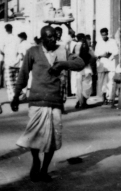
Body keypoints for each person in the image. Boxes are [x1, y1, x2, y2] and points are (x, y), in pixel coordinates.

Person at [10, 25, 85, 182]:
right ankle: (36, 160)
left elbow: (80, 63)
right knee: (34, 136)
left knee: (52, 139)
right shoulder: (32, 52)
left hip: (55, 101)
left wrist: (62, 64)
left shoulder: (62, 51)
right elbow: (23, 75)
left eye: (54, 37)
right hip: (37, 101)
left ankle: (44, 169)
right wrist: (16, 96)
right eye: (49, 37)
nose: (53, 39)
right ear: (42, 38)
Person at [96, 27, 119, 104]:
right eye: (102, 35)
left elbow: (116, 51)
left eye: (105, 35)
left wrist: (110, 55)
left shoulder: (112, 41)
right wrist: (102, 55)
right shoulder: (99, 43)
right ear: (100, 35)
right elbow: (96, 54)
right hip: (102, 64)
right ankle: (103, 97)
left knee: (110, 81)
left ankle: (110, 98)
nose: (104, 36)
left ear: (107, 34)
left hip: (110, 63)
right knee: (102, 82)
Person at [73, 33, 94, 108]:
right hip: (86, 68)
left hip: (78, 68)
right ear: (83, 38)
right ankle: (84, 102)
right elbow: (93, 56)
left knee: (78, 86)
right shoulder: (86, 45)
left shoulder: (75, 46)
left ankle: (79, 102)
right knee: (86, 85)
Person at [0, 23, 19, 98]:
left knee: (9, 82)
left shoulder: (4, 38)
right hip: (16, 62)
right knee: (16, 80)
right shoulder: (17, 38)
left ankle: (12, 97)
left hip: (8, 62)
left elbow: (1, 51)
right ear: (12, 29)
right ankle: (16, 96)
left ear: (5, 30)